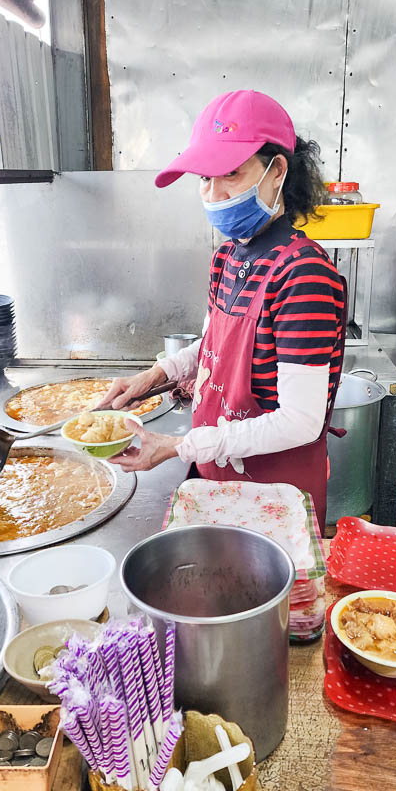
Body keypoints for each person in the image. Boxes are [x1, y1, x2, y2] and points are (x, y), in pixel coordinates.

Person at [97, 89, 346, 529]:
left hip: (274, 499)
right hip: (214, 476)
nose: (214, 194)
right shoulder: (228, 257)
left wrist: (178, 447)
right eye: (204, 178)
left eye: (230, 173)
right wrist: (153, 377)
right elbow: (215, 347)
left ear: (277, 171)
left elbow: (300, 421)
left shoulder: (304, 274)